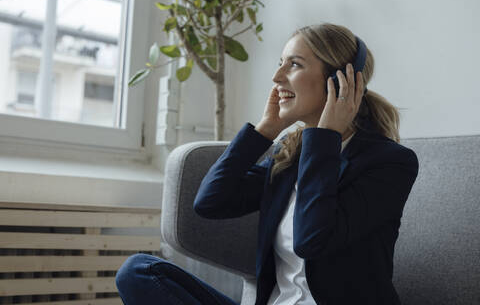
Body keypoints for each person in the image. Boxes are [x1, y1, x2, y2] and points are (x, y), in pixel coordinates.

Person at [115, 23, 419, 305]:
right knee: (139, 272)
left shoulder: (390, 164)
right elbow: (210, 202)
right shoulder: (289, 155)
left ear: (338, 81)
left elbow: (311, 241)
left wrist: (325, 137)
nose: (277, 77)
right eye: (280, 63)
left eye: (295, 64)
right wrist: (265, 131)